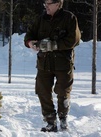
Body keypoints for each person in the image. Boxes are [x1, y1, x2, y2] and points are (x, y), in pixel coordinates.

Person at [24, 0, 81, 132]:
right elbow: (28, 36)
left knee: (63, 92)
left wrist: (54, 45)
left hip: (63, 63)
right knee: (42, 91)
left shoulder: (69, 18)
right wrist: (31, 43)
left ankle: (63, 117)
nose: (46, 6)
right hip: (44, 63)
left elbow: (74, 40)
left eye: (49, 4)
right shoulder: (41, 19)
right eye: (45, 4)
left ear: (58, 4)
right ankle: (50, 120)